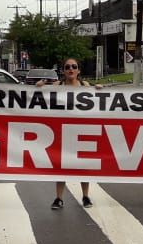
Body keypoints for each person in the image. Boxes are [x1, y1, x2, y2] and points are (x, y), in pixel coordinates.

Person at [40, 58, 102, 210]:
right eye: (67, 67)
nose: (71, 69)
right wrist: (39, 86)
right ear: (63, 71)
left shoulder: (85, 86)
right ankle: (59, 198)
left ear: (78, 71)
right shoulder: (57, 85)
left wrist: (100, 88)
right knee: (62, 165)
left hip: (82, 131)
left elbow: (98, 95)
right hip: (62, 132)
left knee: (83, 165)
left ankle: (85, 196)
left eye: (74, 67)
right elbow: (41, 92)